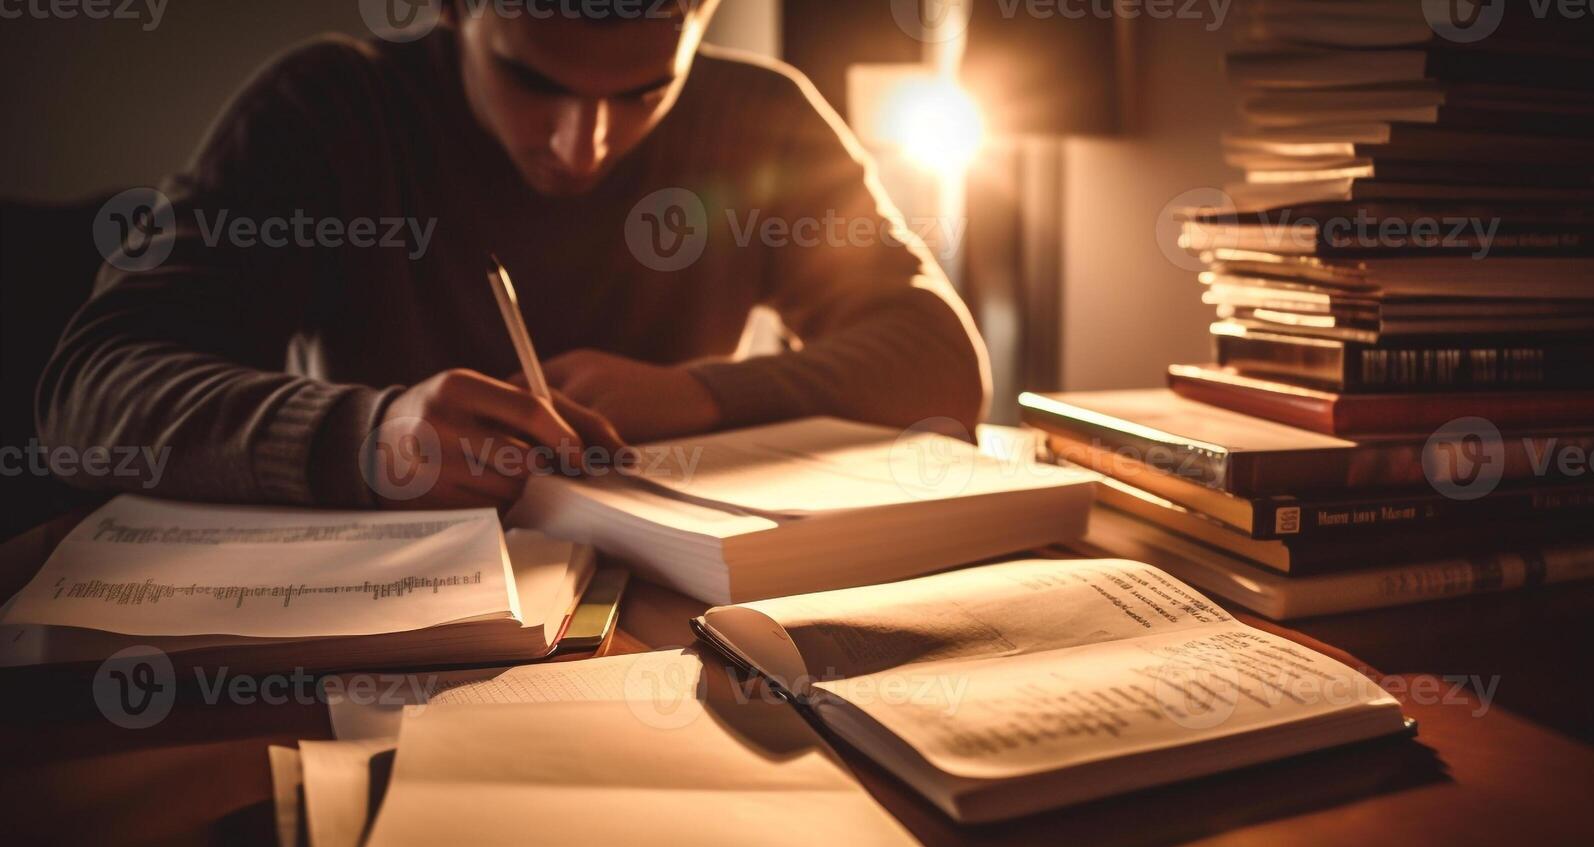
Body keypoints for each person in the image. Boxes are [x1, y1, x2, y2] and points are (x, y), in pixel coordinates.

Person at [39, 0, 989, 509]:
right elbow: (88, 393)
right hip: (377, 634)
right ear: (455, 11)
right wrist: (366, 438)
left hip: (680, 629)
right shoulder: (328, 111)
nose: (584, 146)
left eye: (645, 91)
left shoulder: (764, 116)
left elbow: (940, 360)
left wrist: (699, 394)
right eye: (534, 80)